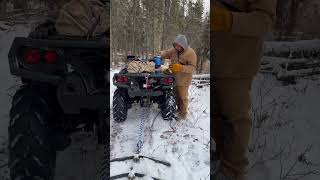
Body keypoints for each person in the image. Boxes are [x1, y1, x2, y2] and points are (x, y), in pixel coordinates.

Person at [211, 0, 277, 179]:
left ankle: (233, 171)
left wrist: (227, 20)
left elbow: (264, 22)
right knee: (214, 115)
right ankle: (221, 157)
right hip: (213, 59)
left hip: (237, 62)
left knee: (236, 119)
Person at [160, 34, 197, 120]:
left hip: (184, 80)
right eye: (175, 45)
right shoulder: (174, 50)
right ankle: (178, 109)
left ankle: (183, 114)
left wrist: (181, 67)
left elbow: (192, 68)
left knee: (183, 97)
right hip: (174, 78)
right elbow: (166, 54)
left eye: (178, 46)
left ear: (183, 45)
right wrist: (160, 54)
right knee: (175, 95)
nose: (177, 48)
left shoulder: (191, 53)